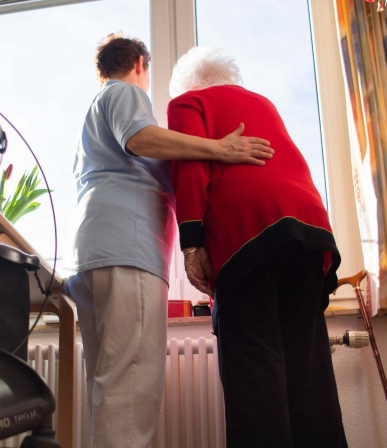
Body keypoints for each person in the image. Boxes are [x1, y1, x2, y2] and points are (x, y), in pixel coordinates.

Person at [62, 34, 273, 448]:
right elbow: (140, 139)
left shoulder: (92, 118)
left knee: (111, 387)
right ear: (140, 62)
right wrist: (220, 148)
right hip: (125, 252)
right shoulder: (124, 92)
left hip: (92, 255)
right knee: (132, 389)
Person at [168, 46, 348, 448]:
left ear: (187, 84)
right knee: (308, 376)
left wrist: (193, 244)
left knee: (255, 377)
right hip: (308, 234)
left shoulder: (188, 103)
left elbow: (190, 168)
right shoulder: (262, 103)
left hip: (247, 237)